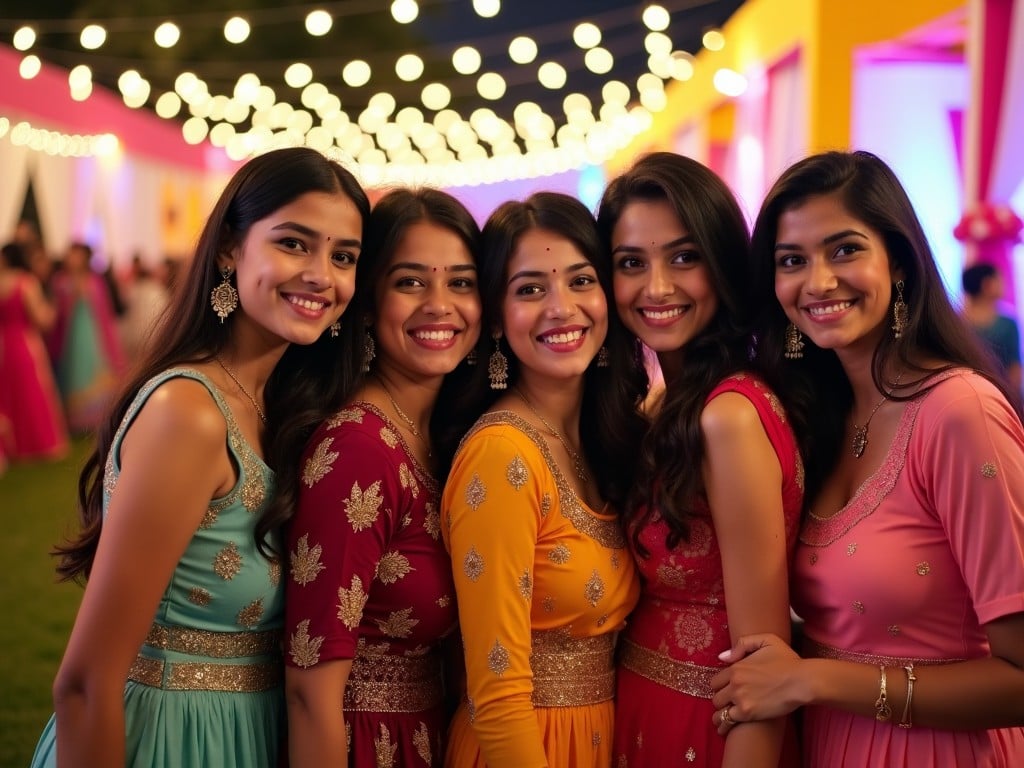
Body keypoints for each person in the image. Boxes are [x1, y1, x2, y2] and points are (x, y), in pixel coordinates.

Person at [29, 146, 371, 768]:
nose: (323, 274)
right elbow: (84, 685)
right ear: (228, 249)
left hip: (247, 736)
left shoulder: (280, 408)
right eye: (294, 243)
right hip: (164, 738)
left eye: (343, 256)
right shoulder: (189, 413)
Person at [710, 150, 1024, 767]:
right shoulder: (823, 416)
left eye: (845, 249)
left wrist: (813, 680)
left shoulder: (959, 413)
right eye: (792, 261)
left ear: (899, 263)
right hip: (833, 745)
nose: (819, 281)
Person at [595, 152, 804, 767]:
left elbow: (762, 664)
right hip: (645, 714)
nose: (657, 287)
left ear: (723, 263)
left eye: (684, 257)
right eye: (632, 263)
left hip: (705, 731)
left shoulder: (728, 416)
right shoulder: (666, 402)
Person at [441, 192, 647, 768]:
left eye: (581, 281)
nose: (562, 307)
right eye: (530, 289)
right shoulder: (501, 455)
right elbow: (498, 693)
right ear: (499, 318)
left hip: (599, 736)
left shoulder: (601, 439)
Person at [284, 187, 483, 766]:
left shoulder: (439, 437)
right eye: (410, 282)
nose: (439, 305)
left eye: (461, 282)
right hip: (356, 741)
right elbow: (308, 688)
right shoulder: (359, 451)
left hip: (422, 733)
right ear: (368, 304)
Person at [0, 241, 69, 461]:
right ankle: (35, 444)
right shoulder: (26, 283)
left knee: (7, 395)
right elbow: (41, 320)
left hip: (3, 345)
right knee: (31, 393)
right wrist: (54, 309)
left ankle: (11, 447)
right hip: (24, 343)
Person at [48, 241, 126, 433]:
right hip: (70, 336)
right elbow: (57, 312)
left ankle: (95, 416)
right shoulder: (60, 281)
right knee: (73, 371)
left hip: (92, 334)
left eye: (76, 254)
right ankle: (74, 419)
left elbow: (104, 312)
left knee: (94, 370)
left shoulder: (95, 281)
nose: (72, 258)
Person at [961, 262, 1022, 392]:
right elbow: (1015, 369)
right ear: (987, 285)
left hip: (965, 391)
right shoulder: (1007, 324)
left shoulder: (956, 322)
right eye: (999, 280)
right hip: (1002, 393)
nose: (1003, 284)